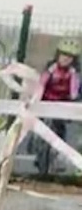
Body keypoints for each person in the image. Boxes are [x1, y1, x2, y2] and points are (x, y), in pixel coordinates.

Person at [37, 44, 81, 178]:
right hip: (46, 102)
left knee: (59, 128)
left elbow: (74, 90)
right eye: (63, 55)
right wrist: (37, 97)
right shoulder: (51, 69)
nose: (65, 59)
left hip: (63, 103)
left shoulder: (73, 73)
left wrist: (73, 100)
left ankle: (57, 155)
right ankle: (39, 151)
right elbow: (41, 84)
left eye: (69, 57)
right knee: (40, 128)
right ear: (57, 55)